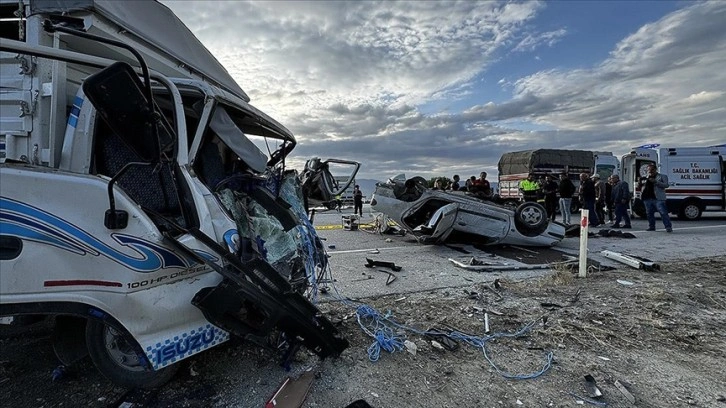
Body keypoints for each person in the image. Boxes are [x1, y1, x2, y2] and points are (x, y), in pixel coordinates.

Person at [640, 164, 673, 232]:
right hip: (647, 198)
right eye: (649, 170)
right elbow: (642, 187)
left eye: (652, 170)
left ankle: (668, 227)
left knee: (663, 212)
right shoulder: (645, 177)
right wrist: (640, 184)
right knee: (649, 213)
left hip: (658, 198)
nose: (650, 171)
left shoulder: (662, 176)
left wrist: (656, 182)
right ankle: (652, 227)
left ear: (655, 170)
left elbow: (666, 185)